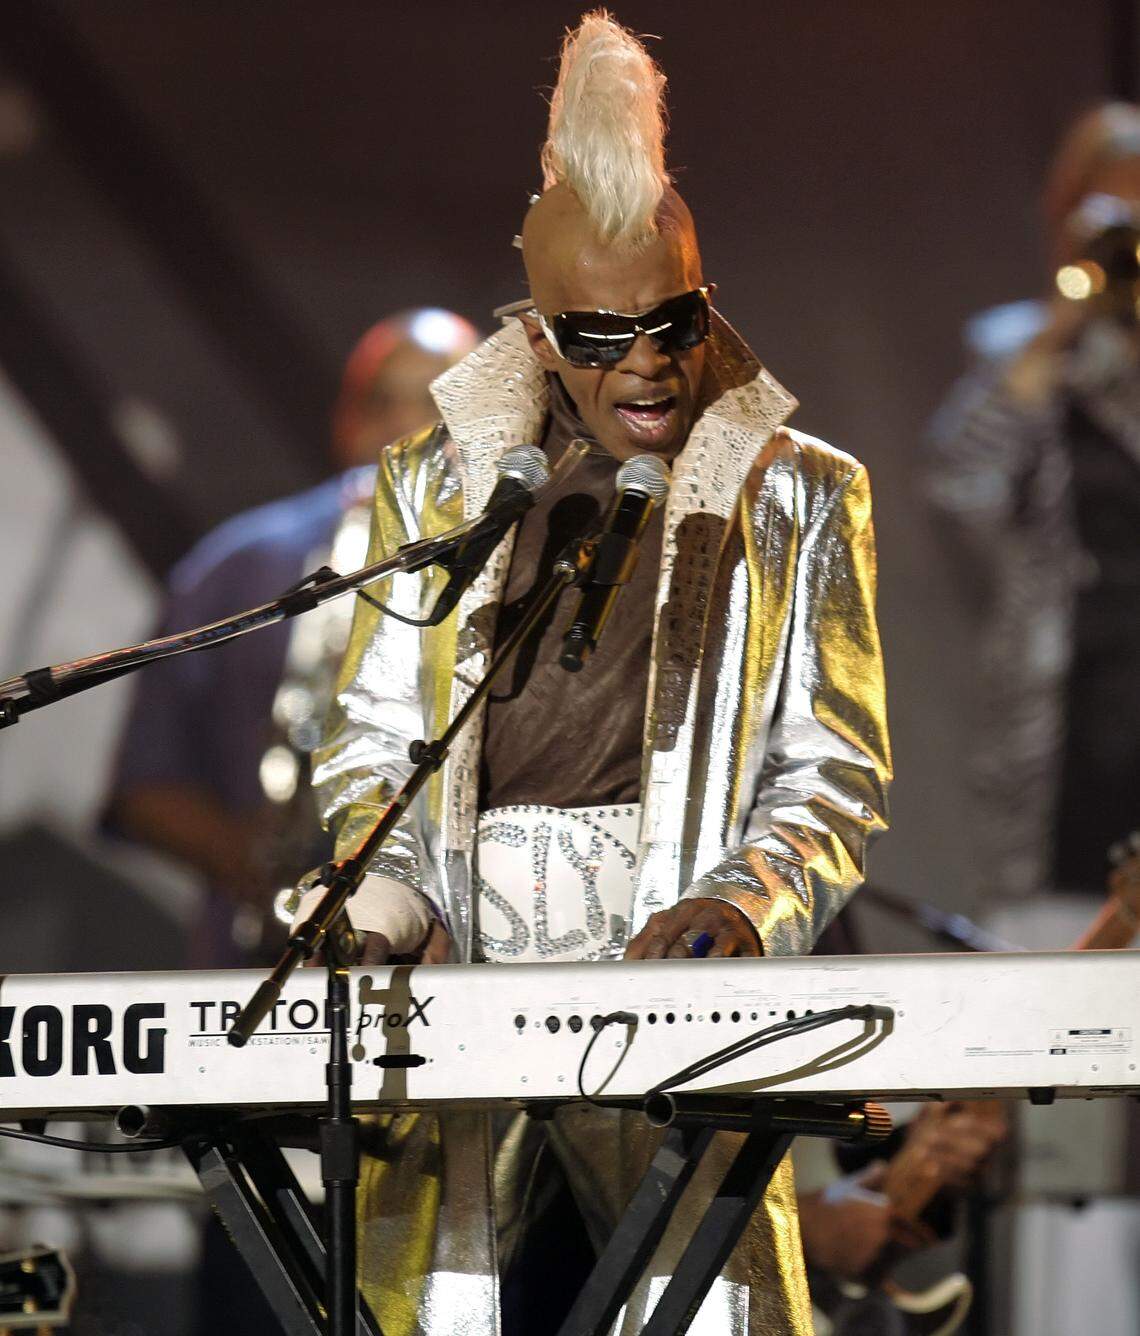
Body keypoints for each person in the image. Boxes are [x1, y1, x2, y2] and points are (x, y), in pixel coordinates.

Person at [297, 13, 890, 1335]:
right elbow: (375, 740)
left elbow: (834, 766)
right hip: (465, 958)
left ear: (707, 298)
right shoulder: (439, 483)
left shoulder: (799, 495)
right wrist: (386, 895)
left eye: (676, 324)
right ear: (543, 332)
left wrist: (745, 902)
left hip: (667, 948)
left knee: (704, 1307)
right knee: (432, 1311)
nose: (651, 364)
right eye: (606, 336)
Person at [104, 309, 478, 967]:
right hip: (258, 951)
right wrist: (253, 862)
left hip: (453, 949)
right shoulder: (241, 565)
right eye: (385, 403)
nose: (408, 427)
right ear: (348, 420)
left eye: (440, 403)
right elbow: (148, 779)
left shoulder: (525, 562)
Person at [926, 102, 1140, 905]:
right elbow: (959, 489)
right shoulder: (1021, 350)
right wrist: (1060, 329)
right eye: (1117, 215)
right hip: (1071, 724)